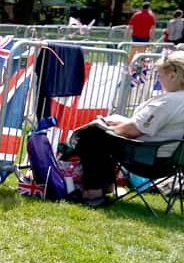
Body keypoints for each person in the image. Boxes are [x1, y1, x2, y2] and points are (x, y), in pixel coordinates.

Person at [65, 51, 184, 207]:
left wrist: (105, 126)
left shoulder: (169, 101)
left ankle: (93, 191)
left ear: (173, 74)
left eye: (160, 75)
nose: (159, 79)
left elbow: (133, 130)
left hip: (147, 157)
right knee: (101, 134)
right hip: (171, 160)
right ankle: (105, 185)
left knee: (92, 135)